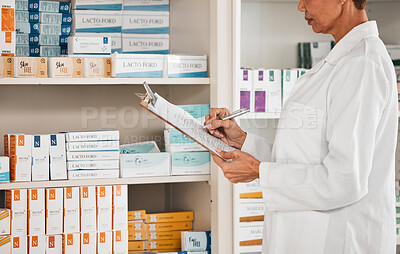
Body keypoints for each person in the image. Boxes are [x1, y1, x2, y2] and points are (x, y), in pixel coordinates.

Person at [205, 0, 398, 253]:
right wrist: (242, 140)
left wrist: (258, 170)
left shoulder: (361, 64)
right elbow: (307, 157)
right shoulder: (342, 60)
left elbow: (344, 180)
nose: (300, 6)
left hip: (337, 240)